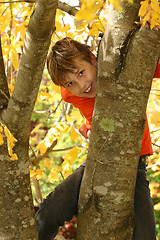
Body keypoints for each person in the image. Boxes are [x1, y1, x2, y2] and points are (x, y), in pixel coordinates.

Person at [36, 37, 159, 240]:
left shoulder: (125, 69)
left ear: (93, 59)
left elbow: (152, 63)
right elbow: (90, 116)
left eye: (81, 73)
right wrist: (87, 130)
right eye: (71, 83)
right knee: (51, 209)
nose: (82, 84)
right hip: (96, 162)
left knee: (145, 234)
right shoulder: (69, 95)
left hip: (133, 167)